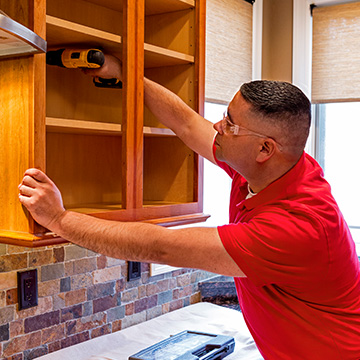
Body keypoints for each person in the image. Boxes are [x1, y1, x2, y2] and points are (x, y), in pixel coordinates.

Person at [18, 55, 360, 360]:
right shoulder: (275, 168)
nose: (217, 126)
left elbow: (160, 246)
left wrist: (59, 219)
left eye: (229, 124)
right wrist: (125, 74)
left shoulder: (297, 229)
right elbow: (185, 122)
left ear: (264, 149)